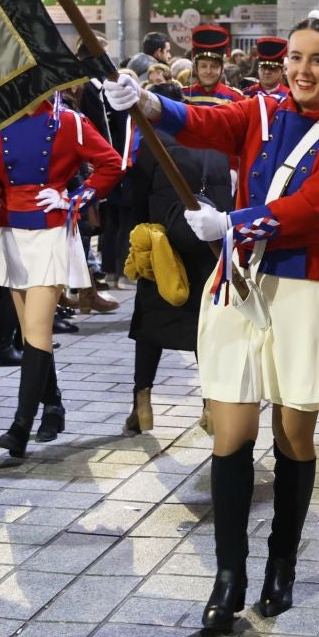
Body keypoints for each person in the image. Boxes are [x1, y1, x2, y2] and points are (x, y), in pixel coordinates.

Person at [102, 11, 319, 632]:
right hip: (239, 289)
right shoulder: (259, 111)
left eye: (317, 60)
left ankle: (282, 567)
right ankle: (229, 575)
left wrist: (234, 225)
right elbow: (204, 121)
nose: (302, 69)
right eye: (296, 57)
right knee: (230, 434)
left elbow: (312, 208)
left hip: (300, 292)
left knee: (295, 438)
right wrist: (148, 103)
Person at [0, 94, 124, 457]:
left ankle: (20, 426)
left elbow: (111, 164)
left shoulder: (69, 121)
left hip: (50, 231)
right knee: (32, 332)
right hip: (11, 233)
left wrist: (76, 198)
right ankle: (54, 406)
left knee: (36, 331)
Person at [123, 81, 233, 434]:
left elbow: (135, 200)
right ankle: (211, 407)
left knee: (149, 327)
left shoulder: (153, 148)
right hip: (207, 247)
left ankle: (142, 404)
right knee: (205, 328)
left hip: (164, 247)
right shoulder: (215, 149)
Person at [183, 25, 241, 108]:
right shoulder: (183, 95)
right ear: (196, 68)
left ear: (222, 68)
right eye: (203, 66)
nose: (208, 71)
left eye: (214, 66)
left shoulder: (235, 98)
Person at [241, 37, 289, 102]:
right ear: (258, 69)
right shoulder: (245, 94)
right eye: (263, 67)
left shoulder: (289, 96)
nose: (267, 72)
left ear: (282, 70)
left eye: (272, 68)